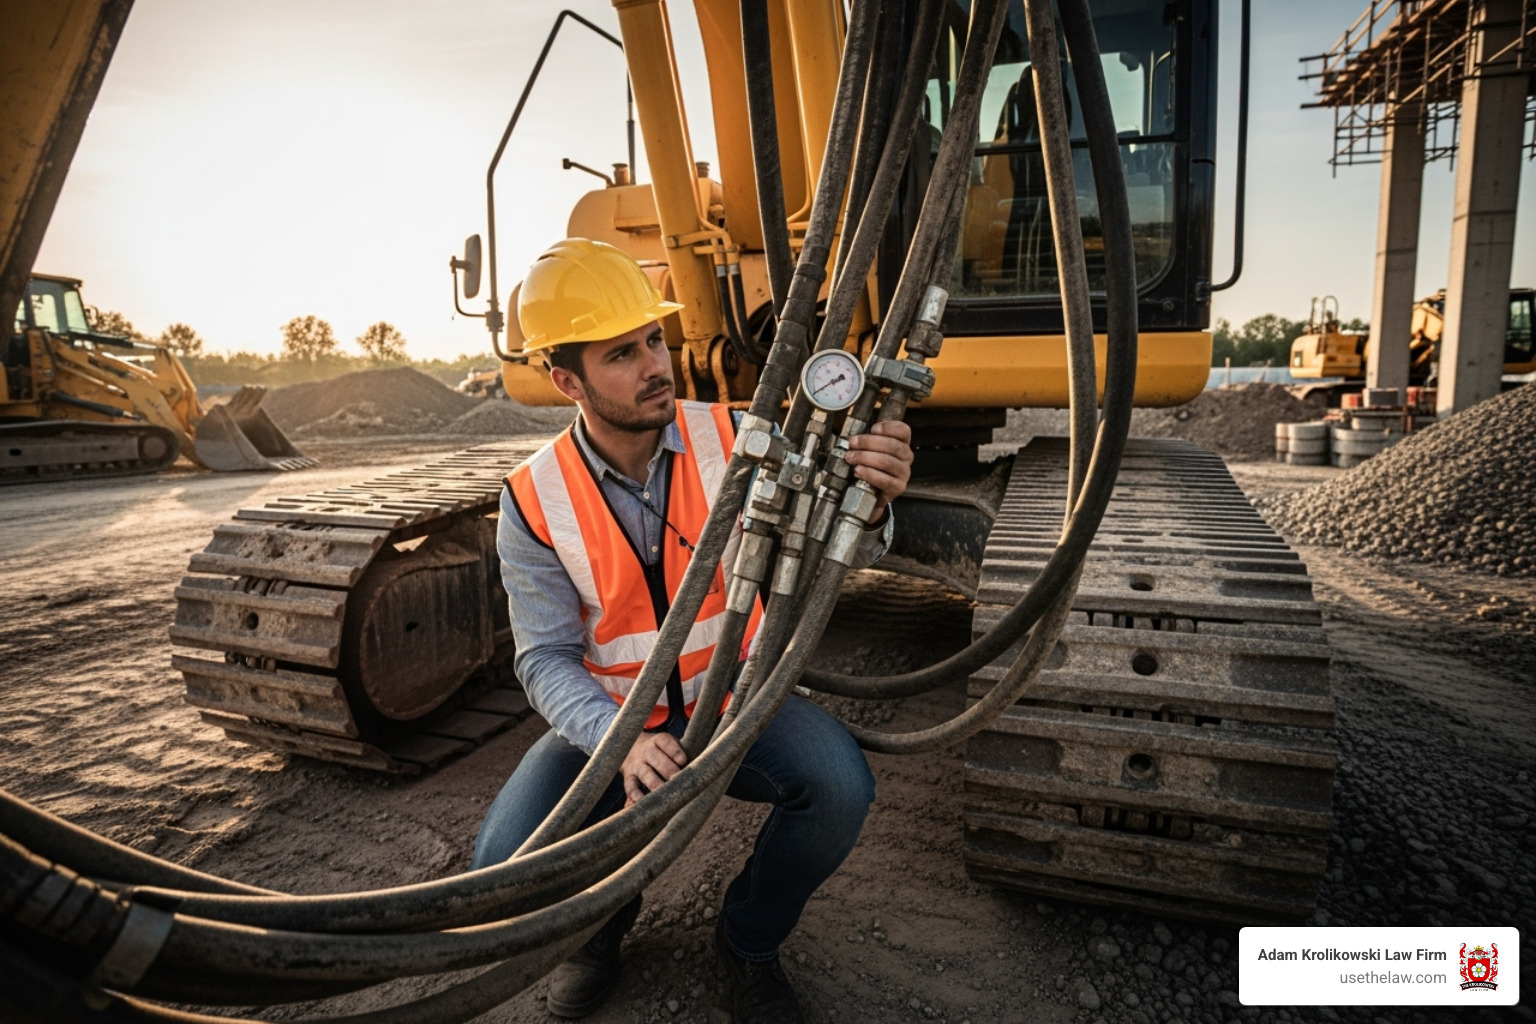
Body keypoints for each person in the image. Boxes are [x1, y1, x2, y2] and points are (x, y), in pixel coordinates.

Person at [473, 238, 914, 1024]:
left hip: (739, 704)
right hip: (618, 724)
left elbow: (833, 548)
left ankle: (746, 942)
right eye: (621, 354)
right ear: (565, 379)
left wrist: (875, 502)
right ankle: (597, 933)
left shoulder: (740, 438)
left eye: (654, 340)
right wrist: (622, 740)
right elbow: (542, 659)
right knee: (503, 863)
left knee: (840, 787)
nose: (655, 365)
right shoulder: (532, 497)